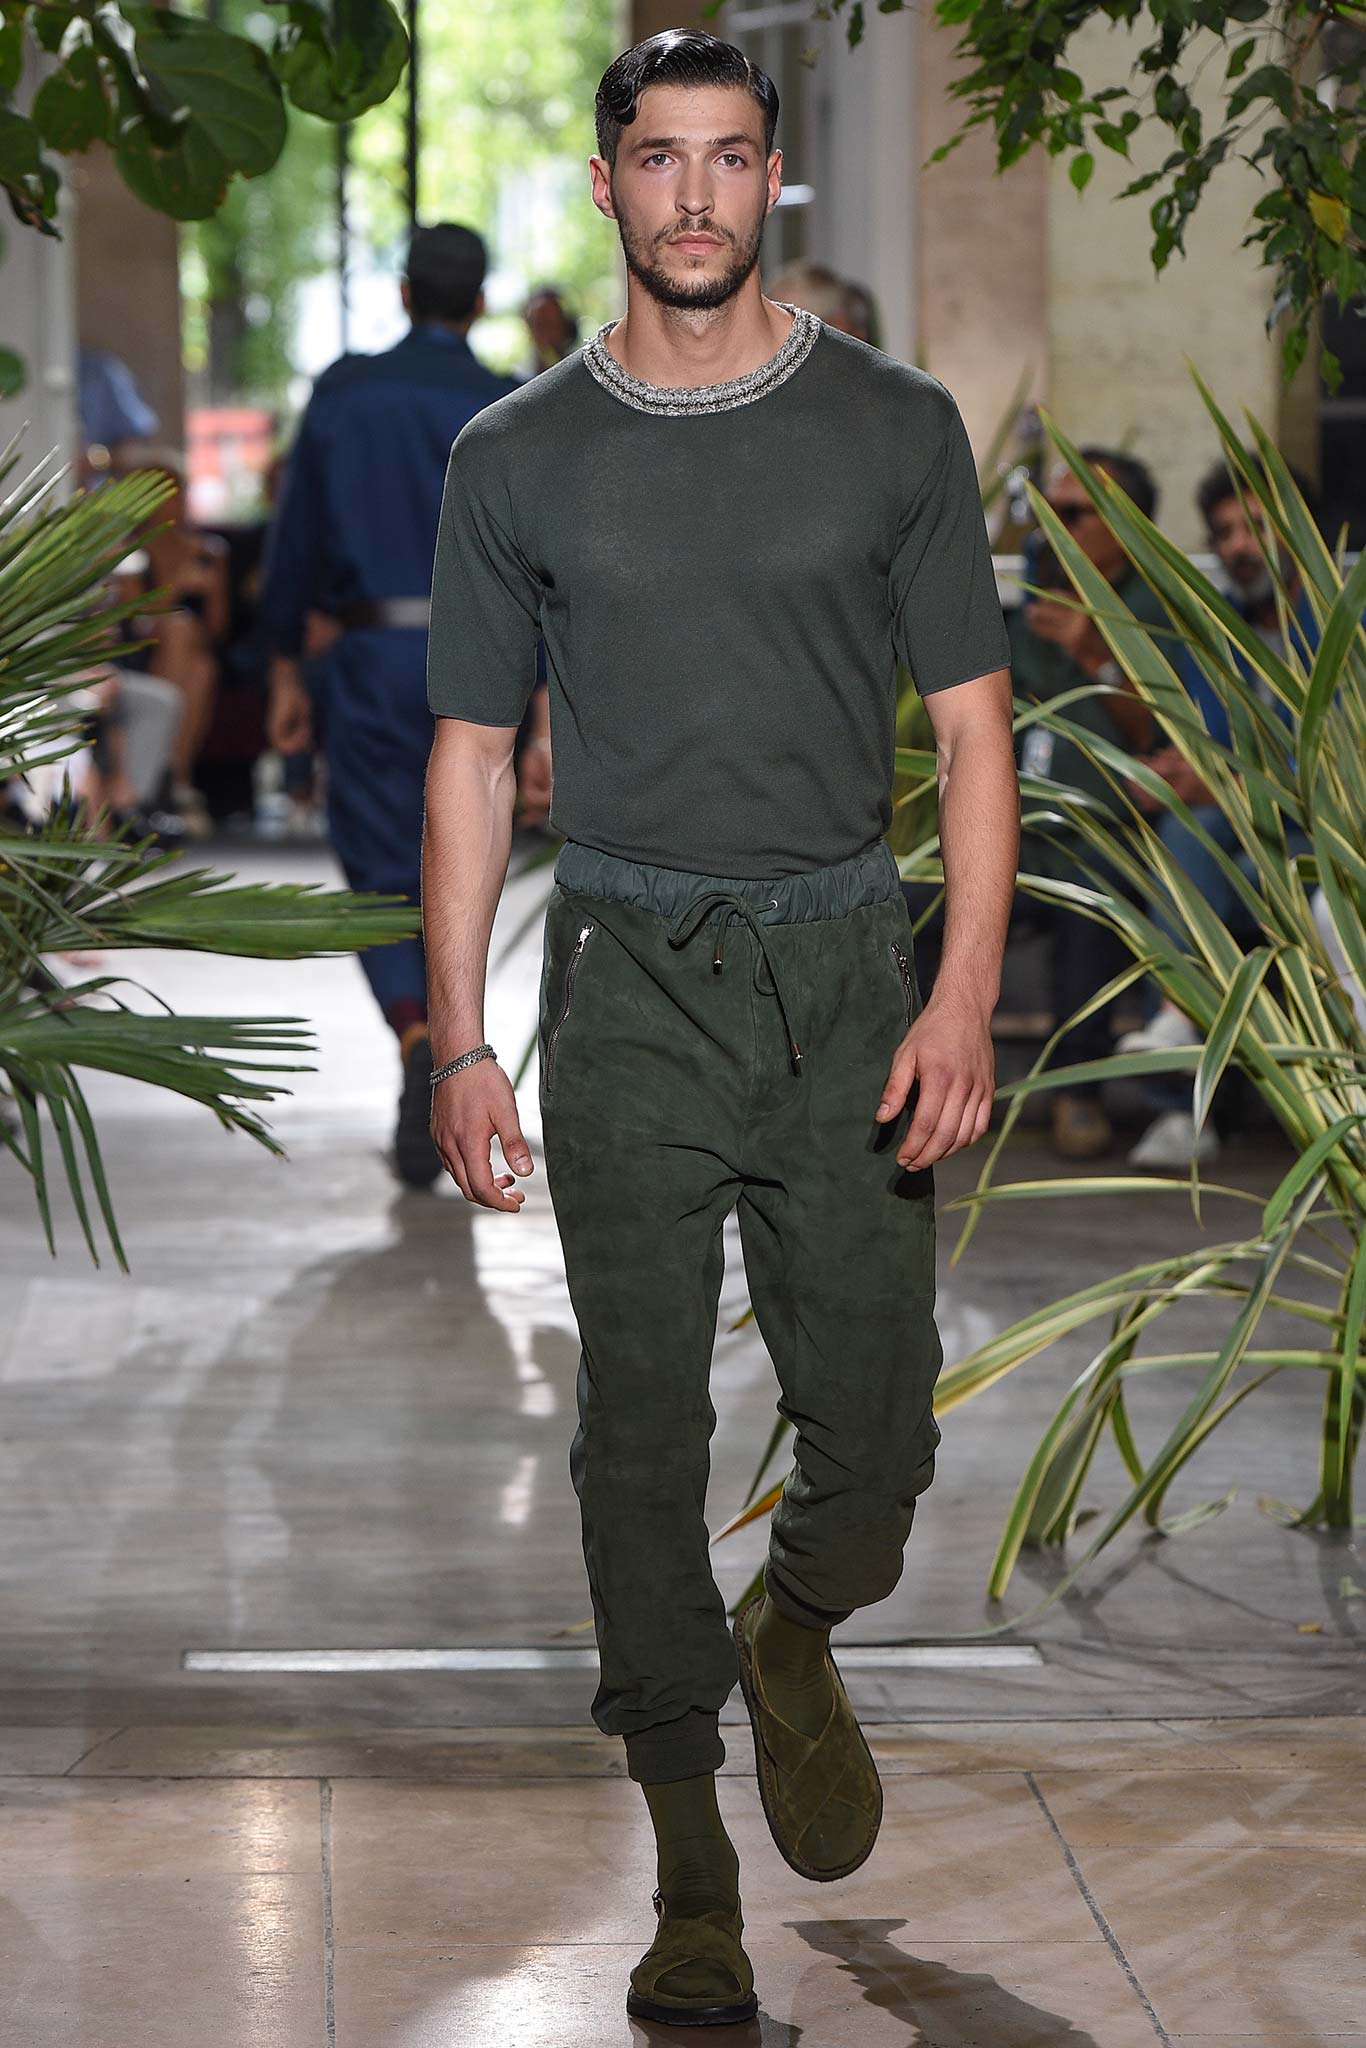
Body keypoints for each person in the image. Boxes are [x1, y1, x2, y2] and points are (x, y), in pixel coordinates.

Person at [421, 29, 1017, 2029]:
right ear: (604, 183)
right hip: (628, 977)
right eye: (658, 158)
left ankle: (794, 1619)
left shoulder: (893, 426)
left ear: (773, 177)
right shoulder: (515, 455)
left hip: (847, 970)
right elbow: (471, 754)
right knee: (637, 1429)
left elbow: (972, 733)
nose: (693, 192)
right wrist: (457, 1039)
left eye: (730, 156)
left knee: (880, 1427)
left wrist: (958, 988)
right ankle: (689, 1864)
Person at [258, 223, 527, 1187]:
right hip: (485, 661)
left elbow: (294, 542)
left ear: (406, 293)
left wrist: (282, 664)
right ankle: (456, 1044)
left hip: (371, 656)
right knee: (466, 852)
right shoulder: (510, 403)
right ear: (479, 303)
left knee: (380, 863)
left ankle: (420, 1037)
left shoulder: (344, 395)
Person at [1119, 458, 1324, 1168]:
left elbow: (1336, 769)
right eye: (1224, 532)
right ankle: (1180, 1043)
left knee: (1196, 829)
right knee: (1188, 827)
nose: (1238, 546)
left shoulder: (1344, 625)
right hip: (1245, 847)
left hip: (1325, 842)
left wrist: (1220, 784)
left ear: (1299, 532)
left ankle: (1179, 1069)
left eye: (1255, 528)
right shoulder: (1218, 631)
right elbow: (1204, 739)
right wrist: (1178, 773)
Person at [1008, 449, 1166, 1157]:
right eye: (1047, 512)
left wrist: (1093, 654)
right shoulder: (1036, 602)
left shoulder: (1155, 609)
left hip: (1105, 840)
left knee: (1088, 896)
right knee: (906, 899)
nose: (1053, 528)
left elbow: (1167, 738)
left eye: (1072, 513)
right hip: (1018, 836)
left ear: (1122, 524)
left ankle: (1077, 1092)